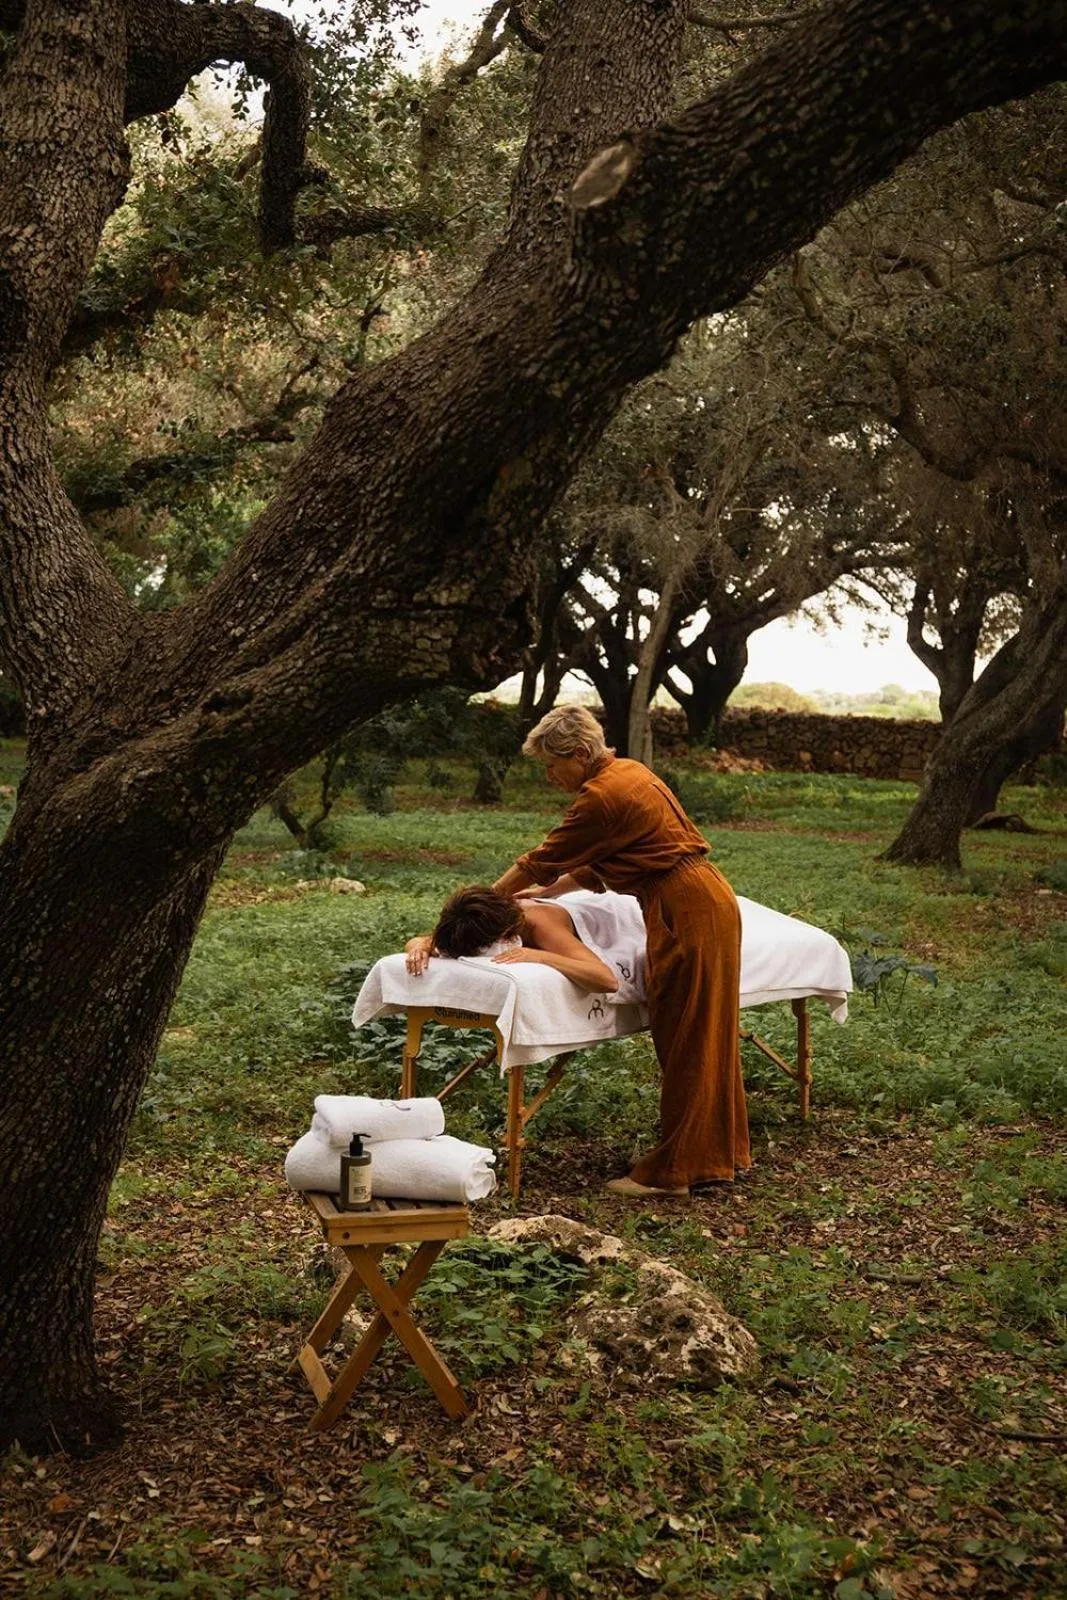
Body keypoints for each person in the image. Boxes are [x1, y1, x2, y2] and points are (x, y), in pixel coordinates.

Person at [489, 704, 750, 1199]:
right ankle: (718, 1155)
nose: (548, 776)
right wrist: (549, 895)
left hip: (684, 908)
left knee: (687, 1036)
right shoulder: (631, 774)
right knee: (706, 1030)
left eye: (552, 764)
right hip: (706, 899)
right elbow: (594, 867)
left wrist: (488, 899)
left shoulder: (601, 796)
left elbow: (540, 861)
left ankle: (676, 1172)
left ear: (581, 753)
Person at [404, 883, 622, 996]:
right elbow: (423, 941)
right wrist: (420, 946)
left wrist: (541, 957)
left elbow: (606, 980)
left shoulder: (541, 925)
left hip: (618, 917)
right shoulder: (470, 920)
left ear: (506, 934)